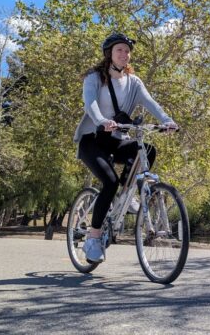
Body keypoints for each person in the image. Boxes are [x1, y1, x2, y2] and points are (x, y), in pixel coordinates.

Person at [73, 33, 178, 263]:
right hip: (93, 139)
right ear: (109, 53)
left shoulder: (134, 82)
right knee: (108, 183)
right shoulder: (94, 78)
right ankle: (93, 238)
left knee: (147, 150)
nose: (124, 54)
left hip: (117, 138)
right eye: (119, 50)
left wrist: (167, 120)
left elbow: (151, 103)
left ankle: (127, 192)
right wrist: (102, 120)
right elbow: (90, 104)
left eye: (127, 51)